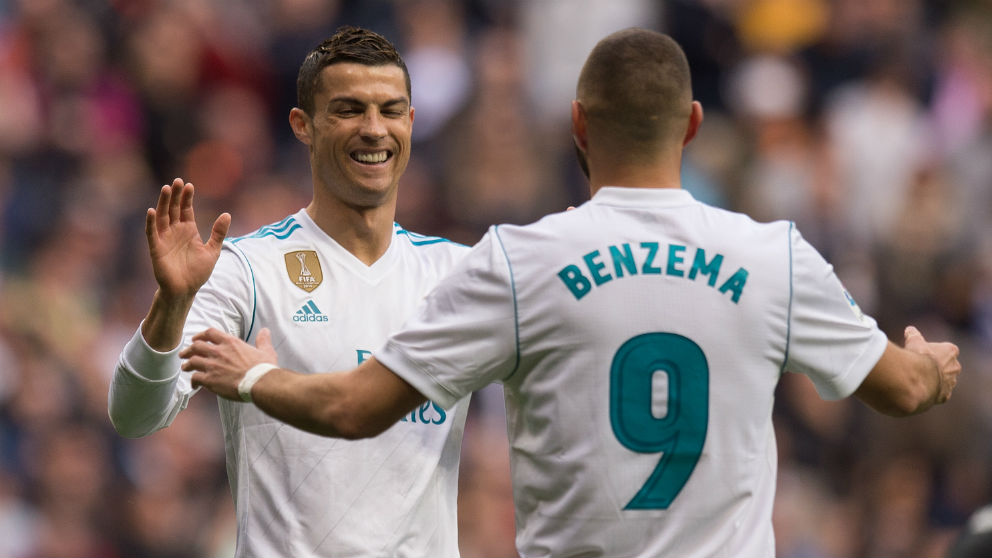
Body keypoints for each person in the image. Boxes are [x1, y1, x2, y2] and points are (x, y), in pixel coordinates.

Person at [181, 28, 962, 557]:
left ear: (579, 126)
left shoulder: (518, 264)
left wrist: (251, 374)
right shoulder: (774, 258)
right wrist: (932, 366)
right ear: (692, 125)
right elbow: (900, 389)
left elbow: (354, 408)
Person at [108, 26, 470, 558]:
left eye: (390, 110)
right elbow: (136, 416)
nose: (374, 130)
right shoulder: (248, 269)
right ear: (303, 125)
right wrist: (172, 303)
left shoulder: (458, 275)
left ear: (411, 122)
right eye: (349, 109)